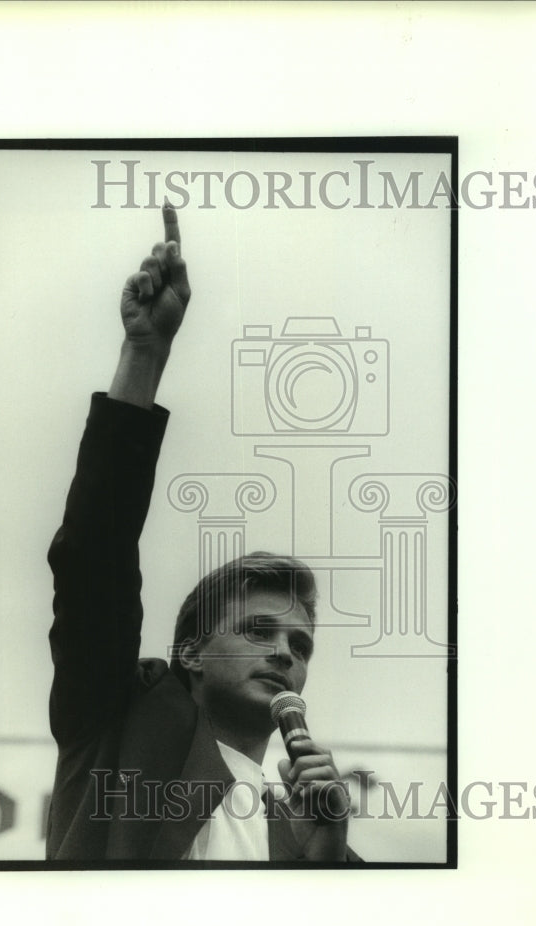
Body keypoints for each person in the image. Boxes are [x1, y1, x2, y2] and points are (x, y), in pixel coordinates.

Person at [45, 202, 360, 862]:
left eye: (298, 643)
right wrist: (144, 351)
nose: (284, 654)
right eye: (256, 630)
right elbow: (94, 557)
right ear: (189, 653)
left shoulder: (305, 829)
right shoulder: (118, 721)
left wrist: (325, 855)